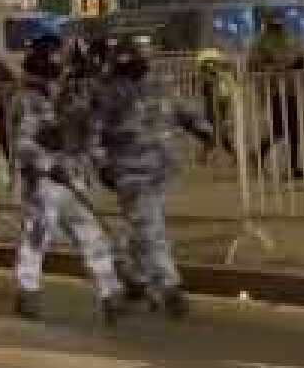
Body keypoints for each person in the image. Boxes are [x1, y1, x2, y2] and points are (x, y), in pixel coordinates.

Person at [86, 41, 212, 319]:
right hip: (130, 172)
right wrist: (102, 165)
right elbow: (93, 135)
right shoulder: (107, 95)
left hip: (162, 169)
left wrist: (203, 130)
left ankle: (133, 274)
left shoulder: (158, 85)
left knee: (143, 226)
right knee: (150, 228)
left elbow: (182, 110)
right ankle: (170, 286)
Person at [12, 33, 126, 324]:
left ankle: (110, 294)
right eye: (54, 57)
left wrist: (103, 166)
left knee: (92, 236)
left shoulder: (65, 95)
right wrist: (49, 165)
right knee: (37, 237)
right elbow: (23, 145)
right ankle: (28, 293)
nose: (60, 62)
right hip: (44, 182)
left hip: (73, 176)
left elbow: (86, 134)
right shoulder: (28, 100)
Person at [249, 12, 304, 179]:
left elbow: (299, 58)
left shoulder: (289, 39)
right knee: (279, 129)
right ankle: (258, 154)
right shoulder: (260, 43)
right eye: (274, 23)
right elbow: (253, 65)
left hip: (289, 89)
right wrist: (272, 67)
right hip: (273, 90)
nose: (278, 25)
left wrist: (298, 62)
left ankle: (294, 166)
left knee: (294, 130)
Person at [195, 49, 238, 166]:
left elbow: (226, 90)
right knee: (216, 129)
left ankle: (205, 154)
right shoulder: (210, 75)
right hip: (214, 101)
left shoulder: (219, 74)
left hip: (219, 102)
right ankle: (233, 154)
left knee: (216, 129)